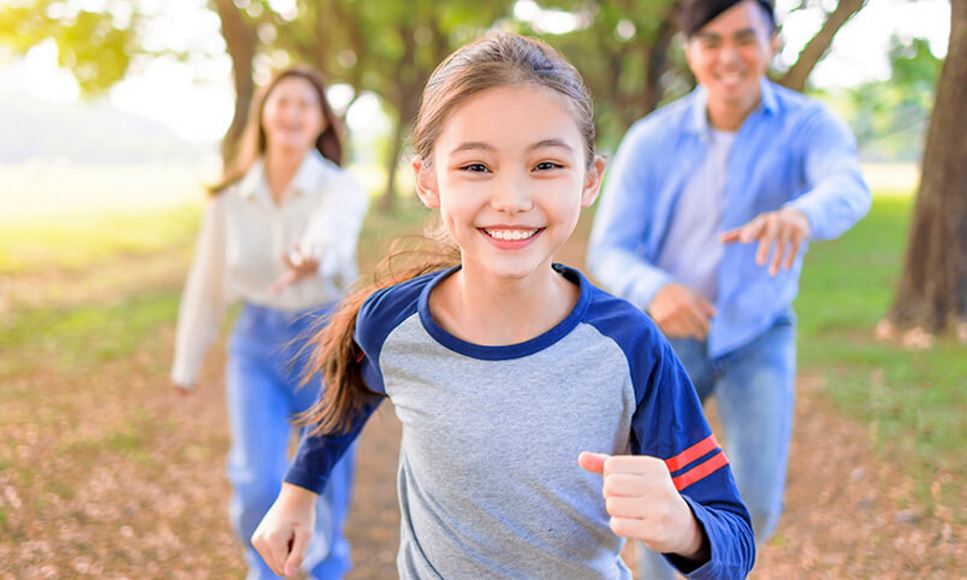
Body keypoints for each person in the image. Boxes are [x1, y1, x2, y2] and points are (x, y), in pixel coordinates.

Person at [250, 33, 755, 579]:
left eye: (545, 166)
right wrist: (300, 490)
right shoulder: (392, 325)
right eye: (476, 167)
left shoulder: (629, 346)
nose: (512, 198)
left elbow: (735, 540)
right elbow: (348, 395)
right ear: (427, 181)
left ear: (590, 179)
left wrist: (683, 527)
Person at [587, 0, 871, 577]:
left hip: (757, 333)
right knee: (653, 500)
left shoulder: (807, 125)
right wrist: (656, 288)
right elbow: (609, 247)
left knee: (757, 503)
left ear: (773, 43)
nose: (728, 56)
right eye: (710, 41)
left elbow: (848, 184)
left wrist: (802, 216)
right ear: (691, 50)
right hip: (664, 341)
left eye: (745, 38)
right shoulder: (651, 139)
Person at [170, 65, 369, 579]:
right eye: (283, 101)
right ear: (263, 112)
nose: (293, 113)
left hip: (322, 342)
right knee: (258, 481)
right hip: (255, 346)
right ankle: (267, 567)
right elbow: (206, 283)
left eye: (306, 104)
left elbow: (335, 233)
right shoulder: (230, 198)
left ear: (321, 119)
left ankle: (325, 567)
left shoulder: (340, 188)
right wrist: (186, 364)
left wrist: (313, 254)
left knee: (324, 480)